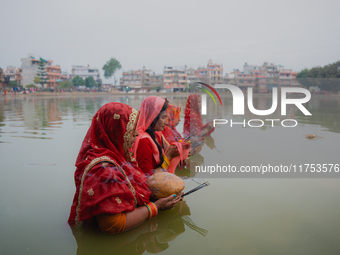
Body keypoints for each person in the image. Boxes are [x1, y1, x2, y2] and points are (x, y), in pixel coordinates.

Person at [68, 102, 182, 234]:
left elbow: (139, 183)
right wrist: (156, 207)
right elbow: (112, 225)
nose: (136, 135)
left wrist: (163, 194)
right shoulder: (103, 170)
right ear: (115, 131)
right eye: (130, 129)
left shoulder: (119, 157)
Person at [133, 96, 184, 176]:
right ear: (153, 117)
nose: (166, 122)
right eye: (163, 117)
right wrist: (168, 156)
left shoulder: (154, 135)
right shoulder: (144, 141)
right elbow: (149, 180)